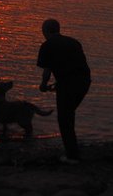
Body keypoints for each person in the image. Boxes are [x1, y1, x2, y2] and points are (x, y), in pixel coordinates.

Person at [37, 18, 91, 163]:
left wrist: (43, 85)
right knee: (68, 114)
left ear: (46, 31)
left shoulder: (47, 46)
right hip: (84, 82)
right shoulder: (74, 42)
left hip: (68, 85)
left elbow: (47, 70)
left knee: (64, 119)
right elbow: (77, 66)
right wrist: (58, 84)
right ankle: (73, 150)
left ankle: (72, 156)